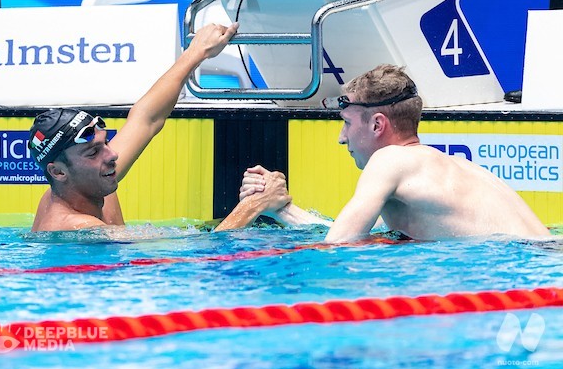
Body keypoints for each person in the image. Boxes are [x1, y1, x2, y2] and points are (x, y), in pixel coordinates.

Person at [225, 64, 551, 241]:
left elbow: (336, 247)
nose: (341, 138)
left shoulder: (389, 160)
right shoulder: (444, 169)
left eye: (347, 123)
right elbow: (352, 230)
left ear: (377, 124)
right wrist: (283, 208)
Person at [28, 23, 239, 232]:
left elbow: (147, 118)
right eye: (93, 152)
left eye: (106, 143)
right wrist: (255, 204)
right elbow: (192, 253)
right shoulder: (75, 227)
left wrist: (197, 51)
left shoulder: (88, 182)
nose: (112, 155)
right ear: (58, 172)